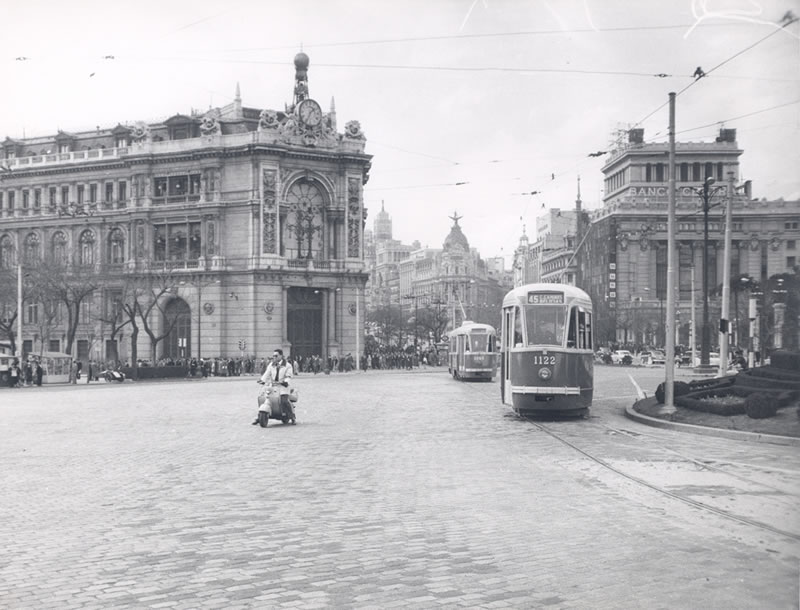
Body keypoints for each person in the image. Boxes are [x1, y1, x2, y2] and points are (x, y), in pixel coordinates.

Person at [253, 349, 294, 425]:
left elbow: (289, 376)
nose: (274, 357)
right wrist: (262, 380)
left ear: (281, 356)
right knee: (263, 397)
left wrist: (285, 382)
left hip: (283, 386)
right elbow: (267, 373)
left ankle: (292, 416)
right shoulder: (271, 364)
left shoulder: (288, 365)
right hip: (273, 385)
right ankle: (260, 417)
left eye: (276, 356)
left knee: (283, 400)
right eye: (273, 356)